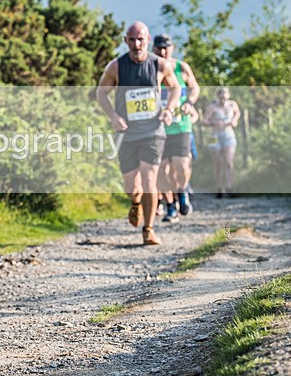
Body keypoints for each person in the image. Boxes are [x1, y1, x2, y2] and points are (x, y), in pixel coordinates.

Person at [97, 22, 180, 245]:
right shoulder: (116, 67)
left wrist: (169, 109)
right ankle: (136, 203)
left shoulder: (160, 65)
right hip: (126, 133)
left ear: (148, 40)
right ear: (126, 41)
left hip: (153, 131)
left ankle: (149, 229)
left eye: (141, 39)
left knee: (149, 177)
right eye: (132, 40)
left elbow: (175, 88)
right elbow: (101, 93)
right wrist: (114, 116)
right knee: (131, 187)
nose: (136, 44)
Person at [152, 34, 200, 223]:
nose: (163, 51)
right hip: (158, 128)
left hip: (181, 125)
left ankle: (182, 191)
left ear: (172, 48)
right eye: (159, 48)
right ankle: (170, 206)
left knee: (181, 166)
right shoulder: (149, 68)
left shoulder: (181, 67)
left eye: (166, 48)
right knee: (162, 170)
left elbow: (194, 88)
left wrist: (189, 102)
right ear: (153, 49)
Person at [202, 87, 241, 198]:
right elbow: (204, 121)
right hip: (214, 136)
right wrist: (213, 123)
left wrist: (234, 120)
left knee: (229, 162)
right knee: (217, 163)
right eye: (220, 93)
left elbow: (237, 113)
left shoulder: (232, 105)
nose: (223, 95)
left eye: (225, 93)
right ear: (217, 95)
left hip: (229, 135)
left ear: (228, 94)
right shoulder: (212, 107)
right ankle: (218, 188)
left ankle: (229, 187)